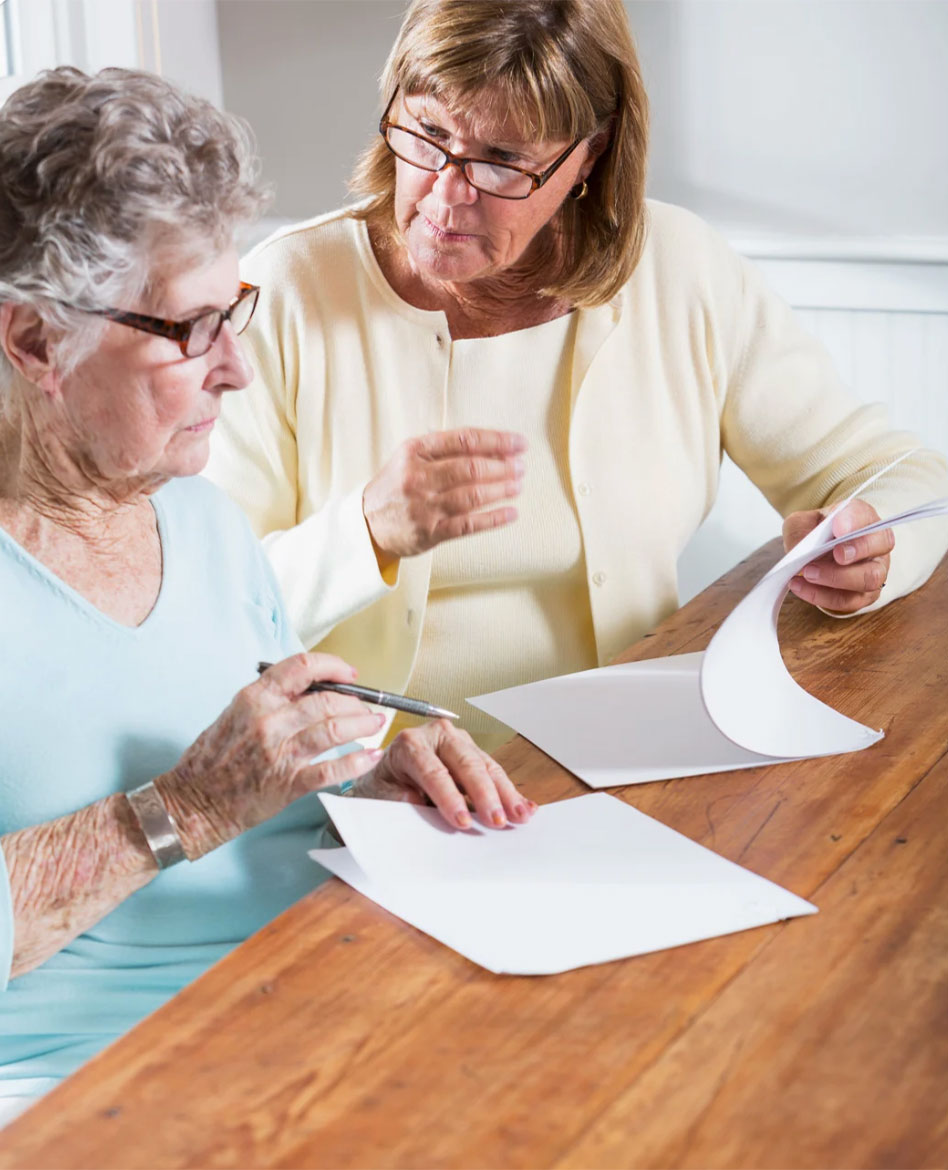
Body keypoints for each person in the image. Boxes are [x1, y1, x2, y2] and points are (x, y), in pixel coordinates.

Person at [0, 66, 535, 1120]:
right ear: (31, 342)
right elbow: (201, 802)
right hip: (97, 1088)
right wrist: (182, 810)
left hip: (327, 1000)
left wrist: (363, 776)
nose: (236, 370)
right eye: (190, 329)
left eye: (234, 312)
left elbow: (251, 792)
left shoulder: (200, 519)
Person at [205, 0, 948, 753]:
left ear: (588, 157)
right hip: (379, 788)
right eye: (428, 134)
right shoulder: (285, 292)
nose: (443, 194)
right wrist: (367, 531)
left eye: (501, 160)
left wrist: (872, 552)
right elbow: (207, 612)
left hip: (635, 758)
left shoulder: (679, 271)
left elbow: (900, 475)